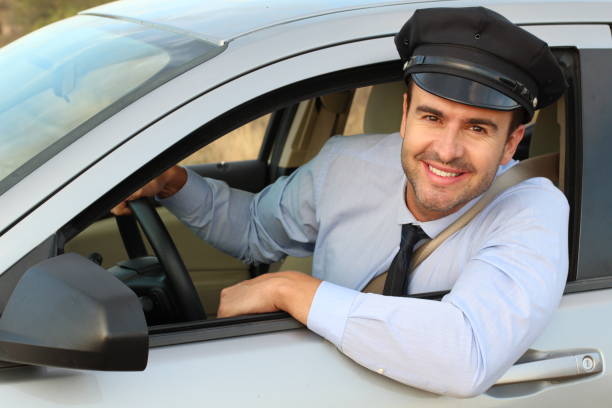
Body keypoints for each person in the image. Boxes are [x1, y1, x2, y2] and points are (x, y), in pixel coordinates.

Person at [113, 7, 569, 397]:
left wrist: (290, 288)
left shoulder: (531, 211)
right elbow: (254, 229)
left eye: (477, 128)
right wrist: (172, 183)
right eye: (433, 117)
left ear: (510, 145)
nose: (447, 151)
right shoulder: (345, 165)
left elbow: (467, 354)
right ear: (406, 112)